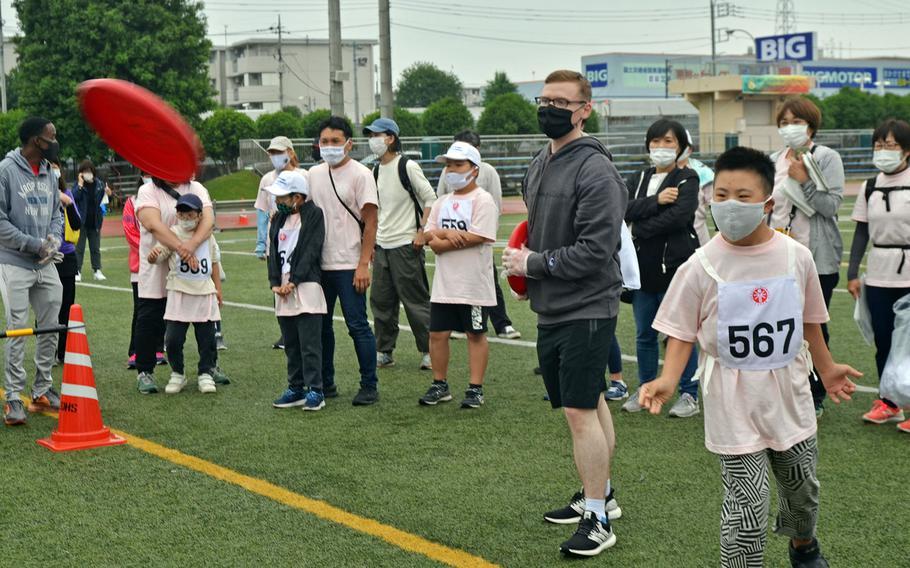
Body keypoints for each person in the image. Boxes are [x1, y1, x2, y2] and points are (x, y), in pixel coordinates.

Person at [639, 146, 860, 568]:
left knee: (802, 488)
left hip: (789, 393)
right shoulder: (700, 265)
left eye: (743, 196)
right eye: (720, 196)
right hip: (732, 397)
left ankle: (803, 545)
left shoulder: (797, 256)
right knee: (748, 501)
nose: (730, 206)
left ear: (768, 203)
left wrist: (828, 369)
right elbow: (681, 331)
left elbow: (810, 320)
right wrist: (668, 379)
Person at [503, 70, 624, 557]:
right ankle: (604, 495)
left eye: (560, 100)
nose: (548, 107)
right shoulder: (540, 160)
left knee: (578, 410)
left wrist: (534, 264)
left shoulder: (595, 169)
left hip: (587, 305)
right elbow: (537, 230)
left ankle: (597, 516)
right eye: (544, 98)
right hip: (553, 303)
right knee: (589, 400)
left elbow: (596, 250)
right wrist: (526, 274)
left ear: (584, 109)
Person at [619, 118, 701, 418]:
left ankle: (689, 394)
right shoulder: (639, 177)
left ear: (680, 146)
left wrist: (640, 227)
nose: (661, 147)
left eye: (668, 142)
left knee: (678, 334)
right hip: (642, 270)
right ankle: (645, 388)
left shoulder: (686, 177)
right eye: (656, 142)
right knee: (644, 334)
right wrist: (656, 201)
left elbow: (680, 217)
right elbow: (623, 208)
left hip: (675, 267)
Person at [769, 97, 845, 417]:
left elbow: (831, 206)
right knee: (779, 324)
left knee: (812, 325)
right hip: (776, 253)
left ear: (811, 125)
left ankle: (815, 393)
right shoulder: (774, 159)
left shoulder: (825, 157)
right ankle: (783, 388)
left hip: (814, 255)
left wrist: (804, 182)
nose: (790, 128)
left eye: (796, 122)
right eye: (784, 123)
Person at [307, 116, 381, 406]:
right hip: (319, 266)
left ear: (349, 144)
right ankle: (326, 383)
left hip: (350, 264)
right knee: (321, 327)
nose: (329, 146)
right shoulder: (312, 174)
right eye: (324, 141)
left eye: (335, 141)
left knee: (357, 325)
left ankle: (369, 385)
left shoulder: (361, 174)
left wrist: (364, 264)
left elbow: (371, 223)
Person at [420, 142, 498, 408]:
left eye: (458, 165)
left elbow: (480, 235)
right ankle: (439, 384)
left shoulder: (483, 199)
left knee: (475, 334)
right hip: (445, 285)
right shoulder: (442, 202)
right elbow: (426, 235)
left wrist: (443, 239)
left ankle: (475, 389)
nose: (451, 170)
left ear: (474, 170)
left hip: (473, 284)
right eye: (448, 165)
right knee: (437, 334)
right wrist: (445, 235)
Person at [0, 117, 64, 425]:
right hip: (14, 262)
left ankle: (42, 388)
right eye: (51, 137)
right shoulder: (5, 171)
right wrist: (34, 244)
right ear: (36, 141)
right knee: (18, 328)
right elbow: (0, 223)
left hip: (45, 262)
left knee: (51, 325)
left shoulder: (51, 174)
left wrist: (53, 241)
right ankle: (13, 396)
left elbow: (56, 212)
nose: (55, 142)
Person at [847, 119, 910, 430]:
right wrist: (853, 272)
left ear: (906, 150)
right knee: (884, 340)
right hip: (879, 274)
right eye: (879, 146)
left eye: (891, 145)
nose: (883, 151)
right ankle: (889, 402)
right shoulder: (869, 185)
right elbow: (861, 232)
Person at [364, 117, 436, 371]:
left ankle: (429, 350)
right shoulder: (374, 170)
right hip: (382, 246)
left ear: (391, 138)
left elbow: (430, 198)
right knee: (381, 302)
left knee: (415, 301)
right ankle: (384, 350)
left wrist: (422, 231)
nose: (372, 140)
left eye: (376, 135)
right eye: (370, 135)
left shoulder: (407, 166)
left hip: (406, 245)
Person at [437, 129, 520, 340]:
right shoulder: (447, 173)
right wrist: (445, 235)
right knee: (453, 281)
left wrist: (484, 232)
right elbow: (440, 199)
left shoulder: (488, 171)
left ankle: (502, 323)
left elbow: (496, 203)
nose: (454, 166)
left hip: (478, 239)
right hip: (451, 239)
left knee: (488, 279)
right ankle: (457, 325)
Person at [135, 176, 214, 394]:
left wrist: (191, 245)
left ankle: (209, 368)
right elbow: (153, 224)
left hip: (192, 273)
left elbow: (208, 221)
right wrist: (182, 249)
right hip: (157, 266)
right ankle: (145, 370)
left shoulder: (196, 186)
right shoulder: (148, 190)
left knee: (203, 322)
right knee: (150, 318)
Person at [266, 170, 327, 412]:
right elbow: (273, 253)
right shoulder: (278, 220)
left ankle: (316, 390)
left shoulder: (313, 215)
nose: (278, 202)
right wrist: (274, 282)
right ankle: (296, 387)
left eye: (283, 197)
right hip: (282, 288)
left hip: (306, 285)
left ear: (298, 197)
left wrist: (295, 280)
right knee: (290, 342)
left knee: (309, 343)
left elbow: (312, 249)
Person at [254, 135, 304, 350]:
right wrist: (261, 242)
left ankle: (301, 329)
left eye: (279, 152)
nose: (275, 156)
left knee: (298, 285)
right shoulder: (267, 180)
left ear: (291, 152)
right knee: (277, 286)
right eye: (272, 153)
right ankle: (286, 333)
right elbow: (262, 211)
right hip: (276, 243)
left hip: (297, 240)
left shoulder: (303, 176)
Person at [124, 174, 165, 369]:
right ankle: (135, 351)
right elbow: (130, 230)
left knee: (163, 308)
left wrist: (164, 249)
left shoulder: (165, 196)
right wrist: (148, 250)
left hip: (165, 261)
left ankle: (159, 348)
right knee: (141, 309)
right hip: (140, 266)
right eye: (146, 173)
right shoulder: (132, 202)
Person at [52, 161, 82, 365]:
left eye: (56, 168)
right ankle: (49, 351)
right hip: (47, 258)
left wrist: (68, 203)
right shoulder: (38, 194)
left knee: (66, 306)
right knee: (48, 306)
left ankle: (62, 352)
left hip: (67, 257)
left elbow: (77, 223)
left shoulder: (68, 194)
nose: (53, 171)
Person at [72, 159, 112, 281]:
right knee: (79, 248)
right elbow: (74, 197)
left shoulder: (99, 185)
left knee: (95, 248)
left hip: (95, 221)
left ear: (93, 172)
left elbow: (104, 200)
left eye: (89, 171)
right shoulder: (78, 185)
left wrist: (108, 194)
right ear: (80, 173)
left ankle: (97, 270)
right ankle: (77, 271)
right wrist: (79, 184)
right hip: (82, 222)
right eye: (84, 171)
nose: (87, 173)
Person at [677, 131, 716, 246]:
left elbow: (716, 204)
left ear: (689, 149)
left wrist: (719, 231)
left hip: (698, 240)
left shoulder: (703, 172)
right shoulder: (654, 172)